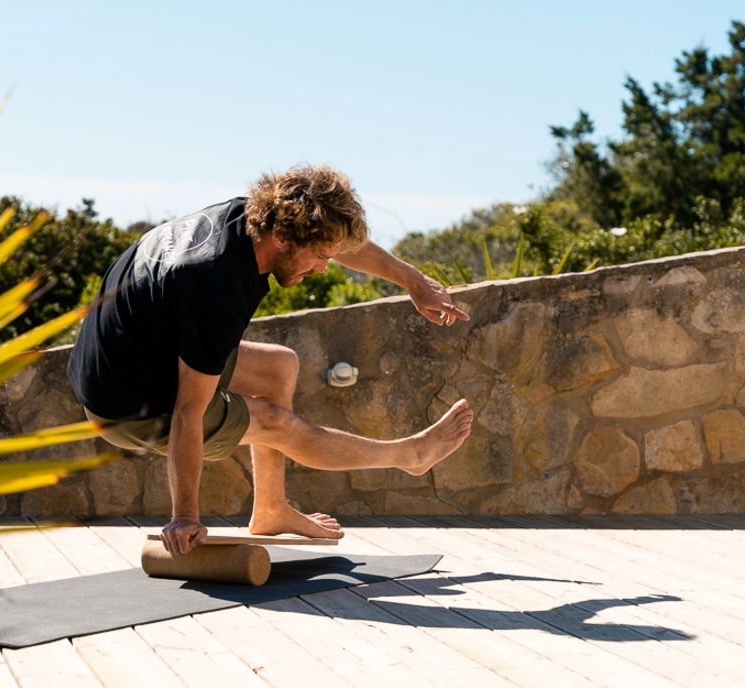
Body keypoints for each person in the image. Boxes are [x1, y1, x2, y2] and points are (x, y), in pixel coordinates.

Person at [67, 165, 474, 555]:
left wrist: (415, 282)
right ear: (283, 238)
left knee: (279, 367)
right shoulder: (217, 283)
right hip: (127, 406)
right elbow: (188, 411)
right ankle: (409, 456)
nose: (323, 268)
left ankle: (271, 509)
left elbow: (338, 243)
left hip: (137, 356)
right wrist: (184, 517)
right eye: (318, 256)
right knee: (276, 424)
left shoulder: (253, 215)